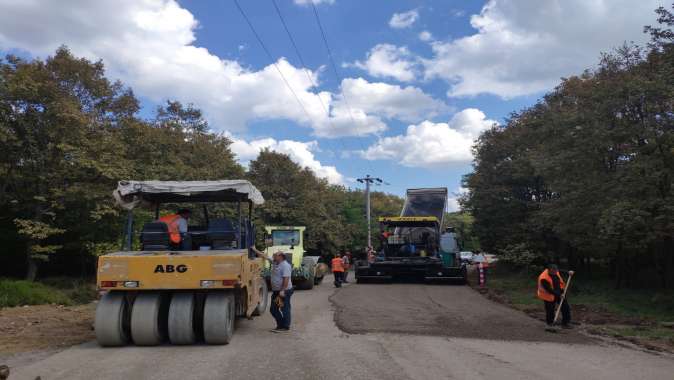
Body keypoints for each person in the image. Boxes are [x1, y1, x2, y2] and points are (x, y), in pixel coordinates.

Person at [254, 248, 293, 333]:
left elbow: (286, 279)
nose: (273, 256)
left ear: (281, 256)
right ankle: (281, 325)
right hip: (277, 291)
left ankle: (285, 327)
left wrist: (282, 291)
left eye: (275, 255)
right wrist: (254, 249)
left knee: (284, 308)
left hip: (283, 291)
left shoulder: (285, 266)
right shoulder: (275, 262)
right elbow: (265, 256)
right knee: (274, 309)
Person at [538, 264, 574, 328]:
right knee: (550, 310)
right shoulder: (543, 278)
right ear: (549, 270)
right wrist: (559, 295)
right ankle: (550, 324)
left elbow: (560, 271)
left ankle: (565, 323)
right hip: (548, 295)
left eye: (556, 271)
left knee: (565, 307)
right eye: (553, 271)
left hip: (559, 292)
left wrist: (568, 272)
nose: (555, 272)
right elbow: (549, 290)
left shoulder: (555, 271)